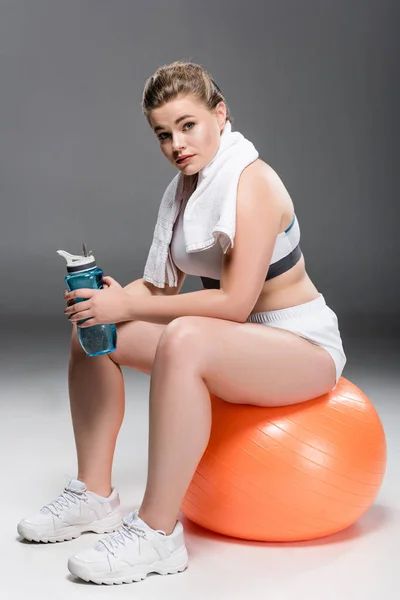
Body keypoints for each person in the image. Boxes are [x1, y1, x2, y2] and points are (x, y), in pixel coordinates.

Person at [17, 61, 346, 584]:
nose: (177, 144)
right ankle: (94, 494)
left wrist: (131, 305)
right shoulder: (185, 191)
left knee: (186, 338)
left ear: (220, 115)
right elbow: (162, 289)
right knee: (96, 333)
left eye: (188, 125)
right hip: (236, 345)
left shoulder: (251, 183)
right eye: (163, 134)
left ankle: (157, 533)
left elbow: (235, 305)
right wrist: (111, 303)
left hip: (298, 345)